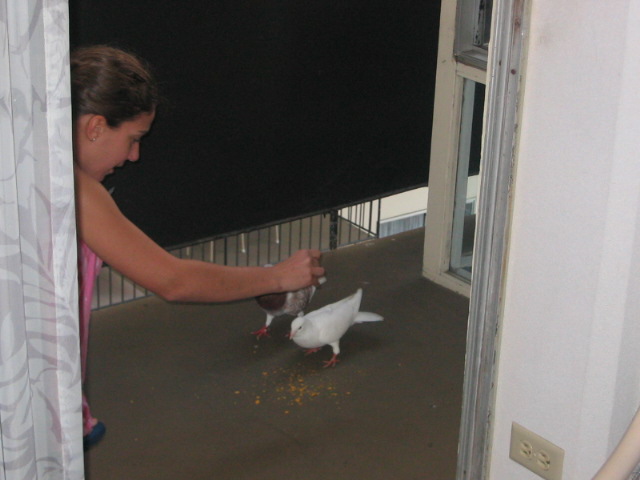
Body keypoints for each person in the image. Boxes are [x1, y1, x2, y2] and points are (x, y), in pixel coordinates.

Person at [70, 45, 325, 448]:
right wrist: (278, 277)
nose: (134, 156)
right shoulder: (76, 192)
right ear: (96, 127)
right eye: (133, 139)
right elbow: (174, 280)